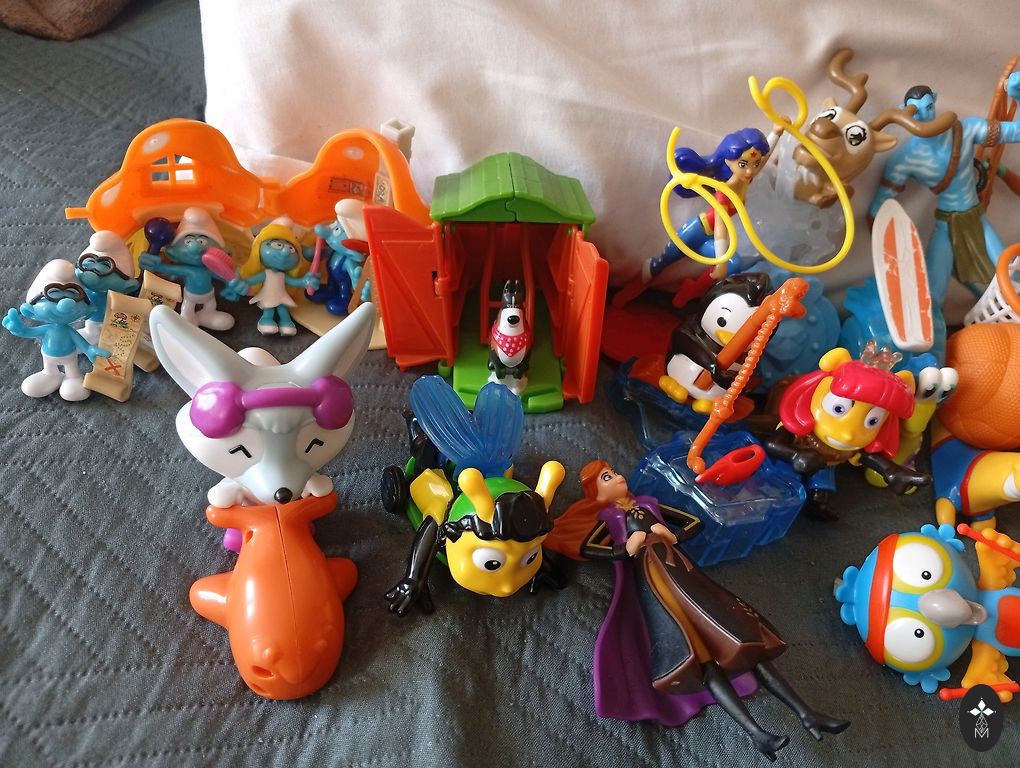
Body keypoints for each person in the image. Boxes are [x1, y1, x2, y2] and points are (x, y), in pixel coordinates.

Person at [545, 461, 848, 761]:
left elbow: (693, 522)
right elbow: (590, 548)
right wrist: (625, 548)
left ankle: (807, 713)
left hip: (685, 574)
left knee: (742, 639)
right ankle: (757, 733)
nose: (618, 477)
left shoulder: (648, 503)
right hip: (656, 583)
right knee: (701, 657)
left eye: (614, 472)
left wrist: (672, 535)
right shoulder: (609, 517)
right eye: (607, 477)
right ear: (596, 493)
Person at [868, 75, 1020, 305]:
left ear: (935, 101)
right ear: (903, 111)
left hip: (977, 218)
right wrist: (890, 251)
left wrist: (1016, 93)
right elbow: (878, 208)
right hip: (946, 224)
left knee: (1009, 276)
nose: (924, 116)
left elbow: (1016, 132)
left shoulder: (965, 130)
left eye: (928, 107)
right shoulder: (904, 159)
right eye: (915, 111)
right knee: (934, 293)